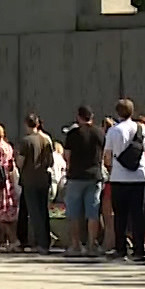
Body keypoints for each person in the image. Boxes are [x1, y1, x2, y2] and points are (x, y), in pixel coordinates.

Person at [105, 100, 145, 261]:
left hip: (119, 177)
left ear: (118, 112)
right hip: (139, 176)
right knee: (138, 214)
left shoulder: (113, 131)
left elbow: (107, 156)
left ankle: (121, 248)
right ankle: (139, 249)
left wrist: (112, 168)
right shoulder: (141, 128)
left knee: (120, 215)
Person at [63, 107, 108, 257]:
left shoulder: (72, 134)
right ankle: (91, 244)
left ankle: (76, 245)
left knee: (74, 212)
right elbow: (104, 154)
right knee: (93, 212)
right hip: (94, 176)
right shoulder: (99, 133)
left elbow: (67, 155)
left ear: (78, 117)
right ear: (92, 116)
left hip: (76, 176)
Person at [15, 115, 56, 254]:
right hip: (43, 179)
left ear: (27, 124)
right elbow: (51, 161)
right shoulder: (46, 139)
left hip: (30, 179)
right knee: (43, 211)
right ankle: (46, 240)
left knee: (34, 212)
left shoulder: (26, 141)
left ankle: (41, 243)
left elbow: (20, 162)